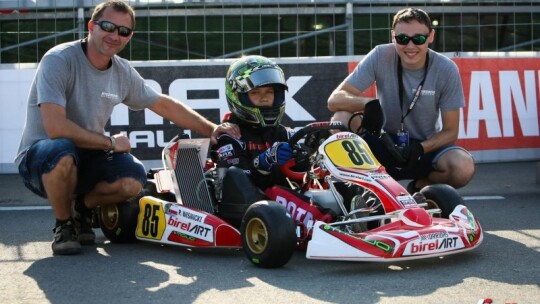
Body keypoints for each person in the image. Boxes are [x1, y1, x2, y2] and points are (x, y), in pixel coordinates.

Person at [14, 0, 240, 256]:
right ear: (91, 26)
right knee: (61, 151)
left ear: (130, 36)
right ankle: (64, 224)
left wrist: (211, 128)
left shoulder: (121, 71)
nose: (115, 36)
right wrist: (110, 144)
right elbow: (55, 128)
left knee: (133, 180)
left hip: (86, 156)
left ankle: (83, 208)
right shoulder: (59, 60)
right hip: (41, 160)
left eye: (124, 31)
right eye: (108, 26)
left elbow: (162, 104)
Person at [327, 7, 475, 193]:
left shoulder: (446, 69)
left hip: (423, 148)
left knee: (462, 167)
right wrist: (368, 104)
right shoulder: (380, 55)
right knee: (341, 117)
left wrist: (420, 148)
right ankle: (362, 188)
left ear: (431, 37)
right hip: (383, 142)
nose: (410, 46)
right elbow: (334, 100)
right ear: (393, 37)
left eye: (419, 39)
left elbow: (450, 132)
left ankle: (420, 188)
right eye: (402, 38)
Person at [211, 55, 295, 225]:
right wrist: (265, 161)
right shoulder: (230, 135)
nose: (264, 98)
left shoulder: (282, 133)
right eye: (255, 92)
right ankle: (327, 221)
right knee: (235, 173)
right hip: (252, 205)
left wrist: (304, 158)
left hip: (283, 198)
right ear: (238, 96)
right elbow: (239, 178)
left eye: (269, 92)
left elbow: (298, 175)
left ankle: (353, 210)